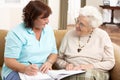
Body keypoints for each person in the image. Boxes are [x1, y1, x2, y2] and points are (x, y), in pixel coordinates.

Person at [1, 1, 58, 80]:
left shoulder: (49, 30)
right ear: (32, 18)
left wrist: (49, 62)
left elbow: (54, 53)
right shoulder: (16, 33)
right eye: (44, 18)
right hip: (16, 71)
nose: (47, 21)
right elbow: (9, 61)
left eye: (48, 17)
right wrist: (25, 69)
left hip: (40, 72)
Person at [56, 6, 115, 80]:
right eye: (77, 21)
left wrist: (91, 66)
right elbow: (58, 58)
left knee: (86, 77)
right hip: (71, 72)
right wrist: (66, 65)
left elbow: (110, 62)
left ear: (92, 27)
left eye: (82, 24)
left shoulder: (102, 36)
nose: (77, 26)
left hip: (95, 72)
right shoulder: (69, 34)